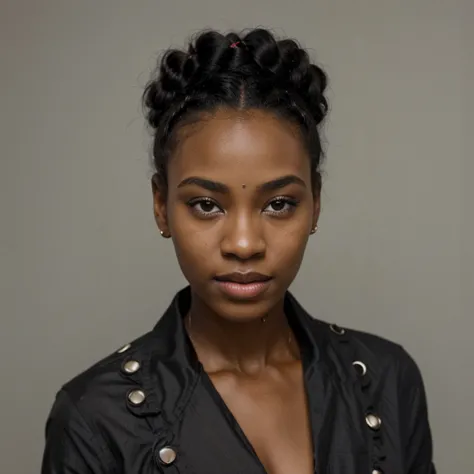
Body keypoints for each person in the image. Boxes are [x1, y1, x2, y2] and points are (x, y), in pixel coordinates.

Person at [41, 28, 436, 474]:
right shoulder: (94, 418)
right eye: (206, 205)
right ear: (161, 206)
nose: (244, 244)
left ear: (316, 203)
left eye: (279, 204)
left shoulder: (387, 378)